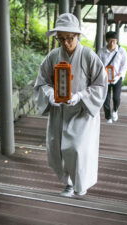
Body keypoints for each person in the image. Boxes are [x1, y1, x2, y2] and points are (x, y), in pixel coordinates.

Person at [34, 13, 108, 197]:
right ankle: (67, 183)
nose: (66, 43)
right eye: (61, 39)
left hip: (82, 110)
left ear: (77, 36)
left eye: (70, 38)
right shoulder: (53, 56)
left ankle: (80, 183)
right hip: (59, 111)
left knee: (77, 149)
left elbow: (100, 84)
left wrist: (81, 95)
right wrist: (50, 94)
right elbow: (42, 81)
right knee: (57, 149)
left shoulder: (89, 56)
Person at [98, 31, 127, 123]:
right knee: (105, 99)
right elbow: (98, 65)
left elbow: (124, 65)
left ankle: (115, 110)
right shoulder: (101, 51)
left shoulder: (121, 51)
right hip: (105, 78)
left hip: (117, 78)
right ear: (107, 40)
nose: (112, 43)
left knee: (116, 98)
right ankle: (108, 117)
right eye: (110, 41)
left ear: (117, 41)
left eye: (114, 41)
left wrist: (119, 76)